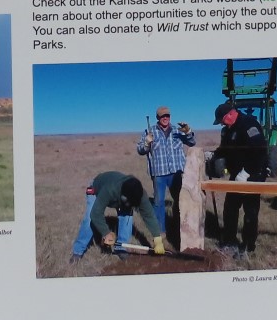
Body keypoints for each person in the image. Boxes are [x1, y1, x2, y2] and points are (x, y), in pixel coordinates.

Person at [212, 100, 269, 257]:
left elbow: (260, 151)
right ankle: (229, 241)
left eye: (222, 120)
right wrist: (213, 155)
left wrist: (247, 172)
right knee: (230, 208)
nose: (223, 124)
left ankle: (248, 246)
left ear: (230, 114)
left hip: (254, 174)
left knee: (250, 211)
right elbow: (224, 149)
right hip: (236, 175)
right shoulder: (228, 129)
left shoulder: (249, 124)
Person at [70, 170, 164, 260]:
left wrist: (157, 238)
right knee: (89, 220)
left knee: (127, 216)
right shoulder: (110, 189)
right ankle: (78, 251)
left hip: (122, 197)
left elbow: (149, 215)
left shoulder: (139, 194)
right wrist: (106, 233)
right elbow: (95, 214)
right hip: (96, 190)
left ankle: (121, 248)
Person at [136, 107, 195, 249]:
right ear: (158, 118)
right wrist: (146, 144)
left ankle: (180, 228)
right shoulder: (149, 132)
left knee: (181, 201)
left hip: (176, 173)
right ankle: (160, 233)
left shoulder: (177, 130)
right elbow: (140, 150)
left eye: (167, 116)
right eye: (162, 116)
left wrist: (188, 132)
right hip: (158, 173)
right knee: (158, 203)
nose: (165, 118)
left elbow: (192, 142)